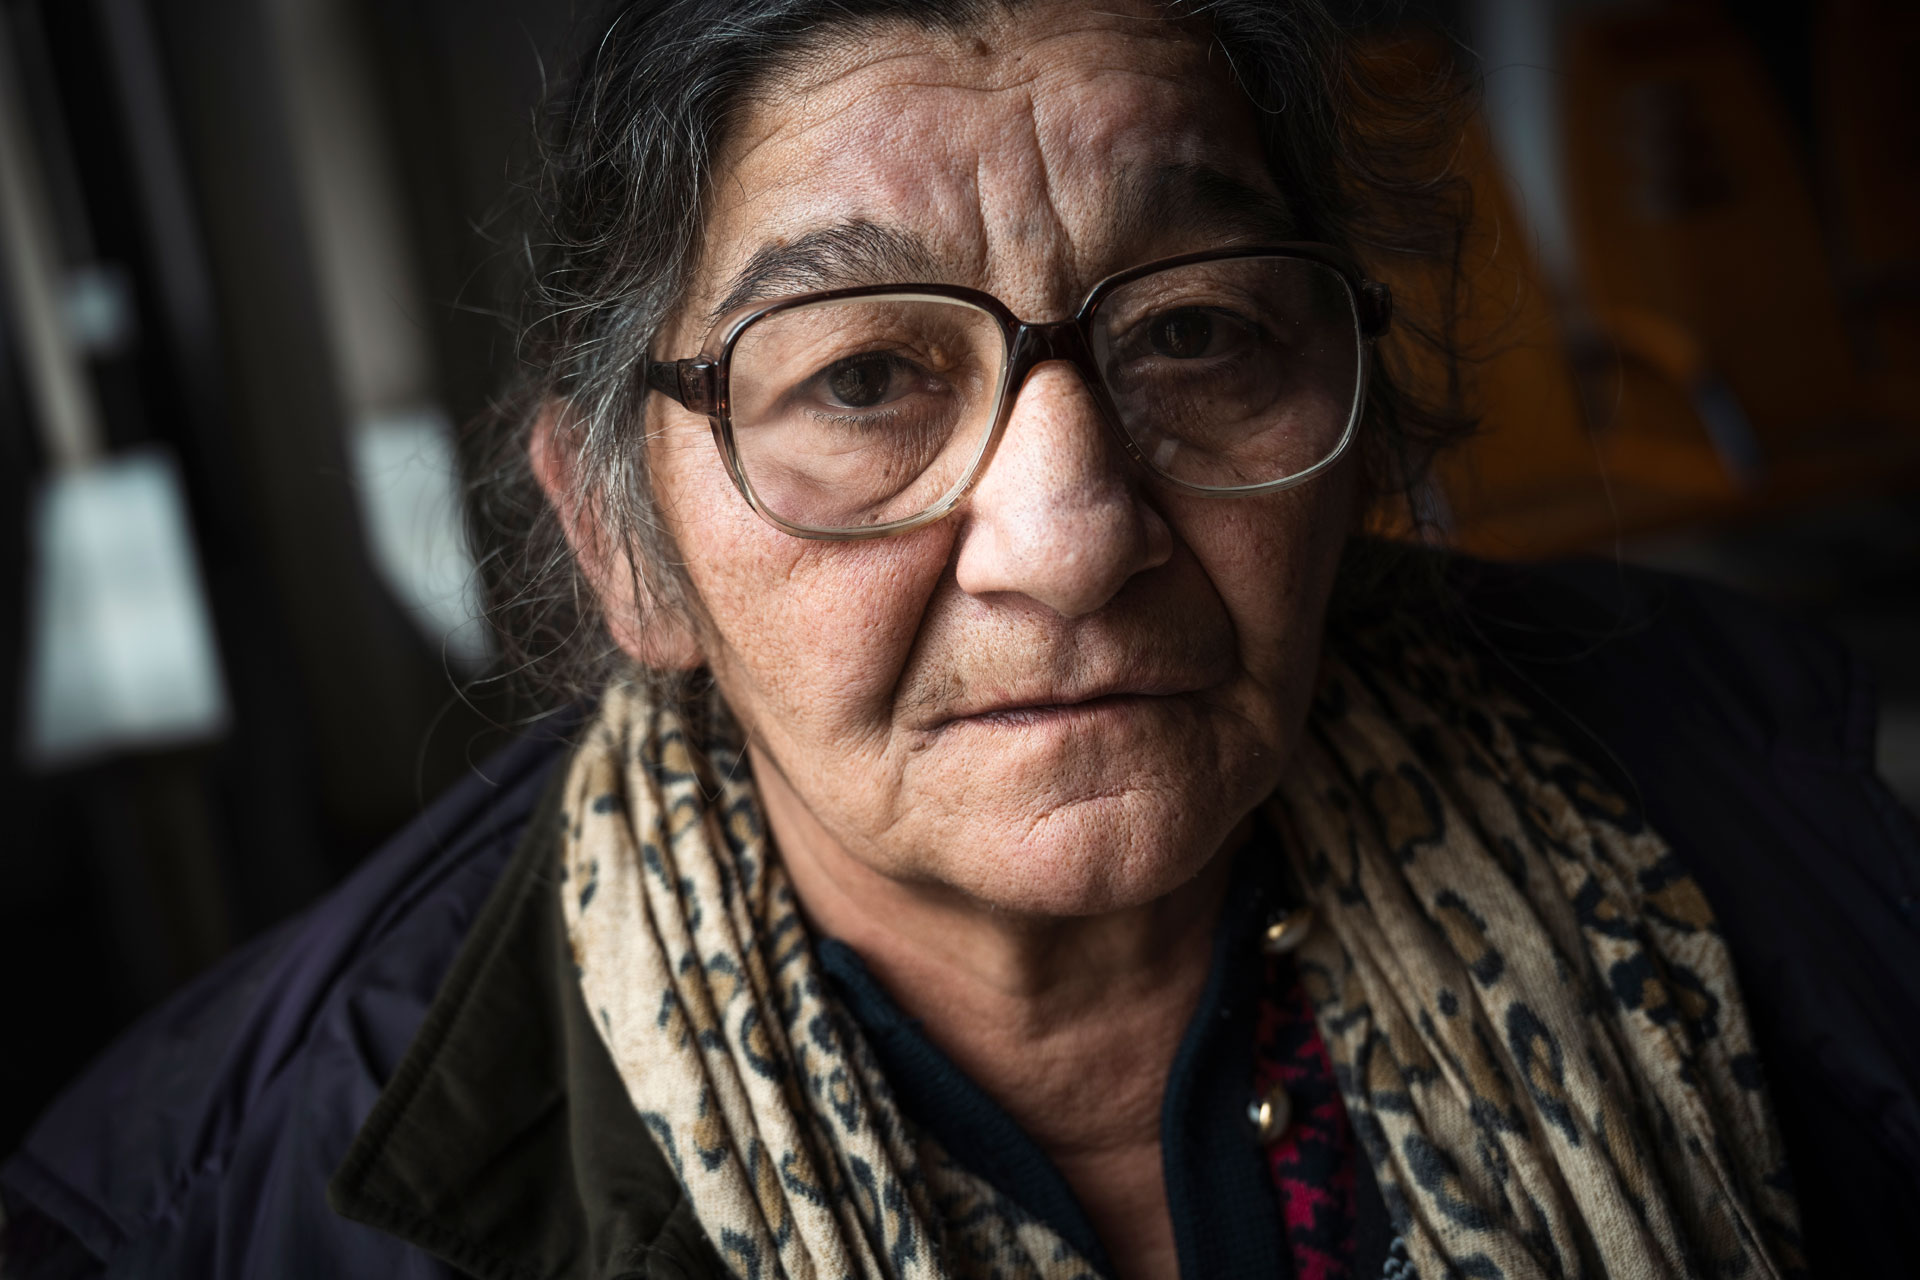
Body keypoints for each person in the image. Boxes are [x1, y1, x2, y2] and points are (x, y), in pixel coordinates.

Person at [5, 1, 1918, 1277]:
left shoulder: (1835, 817)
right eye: (861, 380)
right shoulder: (189, 1214)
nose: (1072, 537)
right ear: (625, 541)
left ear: (1362, 431)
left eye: (1193, 331)